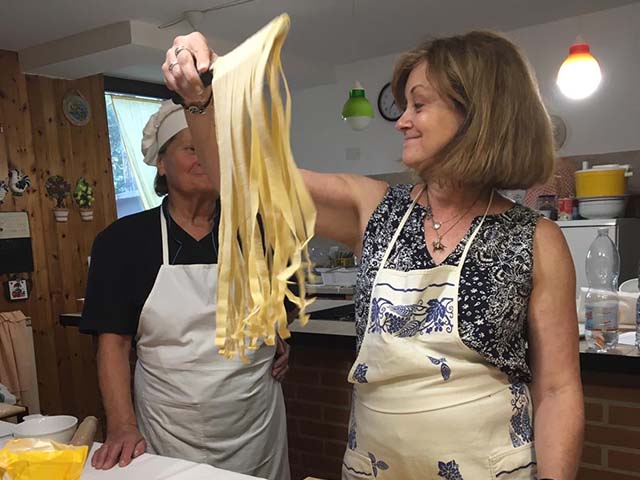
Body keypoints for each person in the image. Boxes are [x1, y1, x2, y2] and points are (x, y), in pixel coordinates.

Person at [163, 28, 584, 479]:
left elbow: (558, 390)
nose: (402, 121)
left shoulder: (536, 239)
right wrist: (203, 98)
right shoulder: (374, 208)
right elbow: (245, 181)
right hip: (374, 468)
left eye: (418, 105)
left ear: (477, 116)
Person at [80, 101, 291, 479]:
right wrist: (122, 424)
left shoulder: (259, 230)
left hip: (256, 425)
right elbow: (113, 343)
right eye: (192, 148)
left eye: (215, 149)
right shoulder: (122, 243)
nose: (207, 159)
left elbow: (278, 302)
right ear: (161, 163)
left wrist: (277, 335)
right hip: (171, 427)